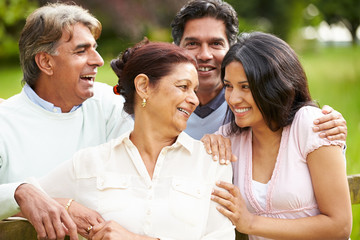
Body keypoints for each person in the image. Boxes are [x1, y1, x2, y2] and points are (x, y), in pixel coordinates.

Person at [26, 40, 235, 239]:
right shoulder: (91, 163)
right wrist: (66, 205)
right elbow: (20, 205)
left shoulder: (211, 162)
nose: (194, 100)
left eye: (195, 90)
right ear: (144, 86)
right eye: (183, 86)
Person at [0, 3, 133, 239]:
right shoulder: (5, 121)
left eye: (95, 48)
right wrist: (20, 192)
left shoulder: (110, 105)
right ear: (46, 63)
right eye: (81, 51)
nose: (99, 60)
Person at [210, 32, 352, 239]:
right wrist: (206, 143)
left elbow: (339, 227)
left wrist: (251, 223)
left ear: (273, 87)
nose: (233, 98)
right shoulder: (229, 138)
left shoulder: (312, 125)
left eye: (246, 87)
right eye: (228, 86)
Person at [171, 0, 347, 160]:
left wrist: (328, 133)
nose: (204, 55)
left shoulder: (254, 102)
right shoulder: (160, 102)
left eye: (216, 44)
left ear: (232, 49)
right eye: (192, 44)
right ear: (176, 49)